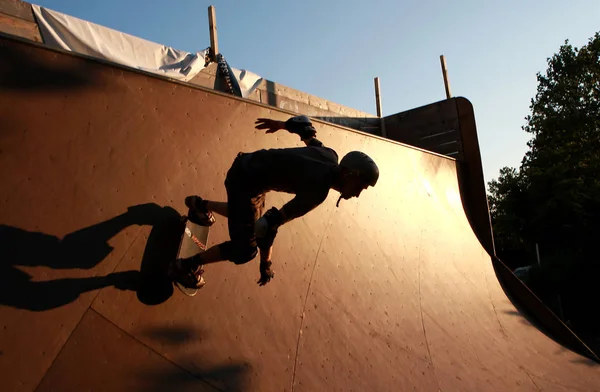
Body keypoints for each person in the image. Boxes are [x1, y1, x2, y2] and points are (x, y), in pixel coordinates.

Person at [170, 115, 379, 289]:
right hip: (244, 181)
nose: (358, 194)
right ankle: (185, 266)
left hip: (247, 166)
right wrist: (266, 264)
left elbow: (305, 128)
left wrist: (280, 125)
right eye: (360, 186)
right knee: (245, 249)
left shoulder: (330, 155)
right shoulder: (317, 192)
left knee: (247, 213)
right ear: (348, 174)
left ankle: (201, 207)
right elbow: (267, 226)